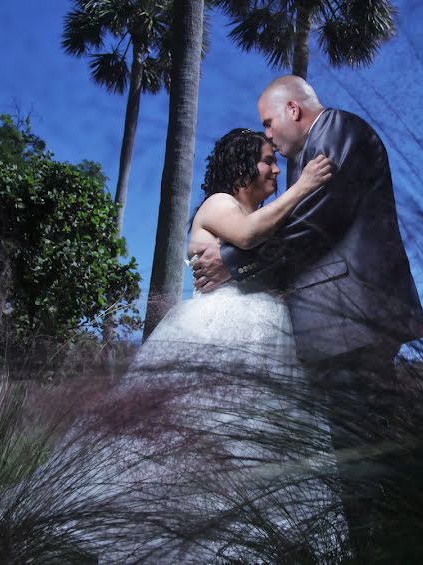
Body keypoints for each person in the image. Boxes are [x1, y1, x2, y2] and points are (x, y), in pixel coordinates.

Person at [189, 76, 423, 557]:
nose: (270, 138)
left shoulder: (337, 131)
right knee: (349, 457)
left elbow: (315, 217)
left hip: (349, 322)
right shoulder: (289, 169)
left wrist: (230, 264)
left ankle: (379, 550)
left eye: (269, 123)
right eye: (262, 143)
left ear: (294, 110)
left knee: (361, 459)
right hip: (332, 329)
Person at [92, 128, 345, 563]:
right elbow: (246, 236)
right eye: (268, 160)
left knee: (260, 440)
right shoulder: (218, 204)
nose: (276, 169)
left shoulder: (268, 217)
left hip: (269, 336)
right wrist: (305, 186)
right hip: (220, 331)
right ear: (242, 167)